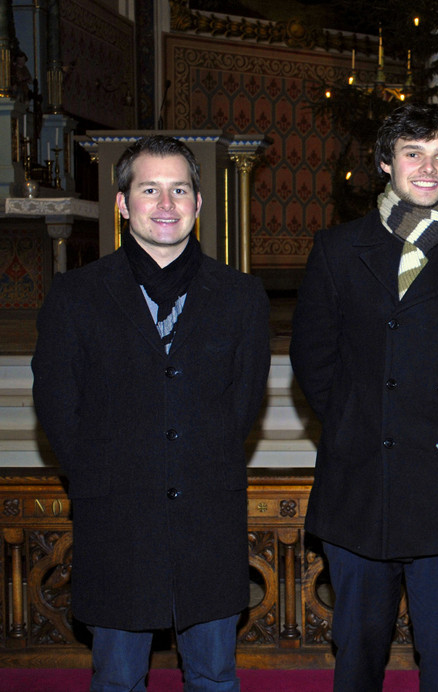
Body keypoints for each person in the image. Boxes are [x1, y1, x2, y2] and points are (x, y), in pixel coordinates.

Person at [289, 103, 438, 692]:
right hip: (360, 481)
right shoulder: (337, 249)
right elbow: (313, 358)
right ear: (385, 162)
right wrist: (356, 423)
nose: (428, 168)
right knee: (357, 653)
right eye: (413, 153)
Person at [32, 135, 271, 691]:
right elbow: (58, 405)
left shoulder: (241, 296)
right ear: (122, 203)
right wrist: (101, 473)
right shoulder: (75, 296)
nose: (166, 204)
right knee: (117, 680)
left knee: (214, 676)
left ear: (198, 203)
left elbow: (242, 405)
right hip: (117, 520)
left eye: (179, 190)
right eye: (149, 190)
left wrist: (195, 458)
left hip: (208, 517)